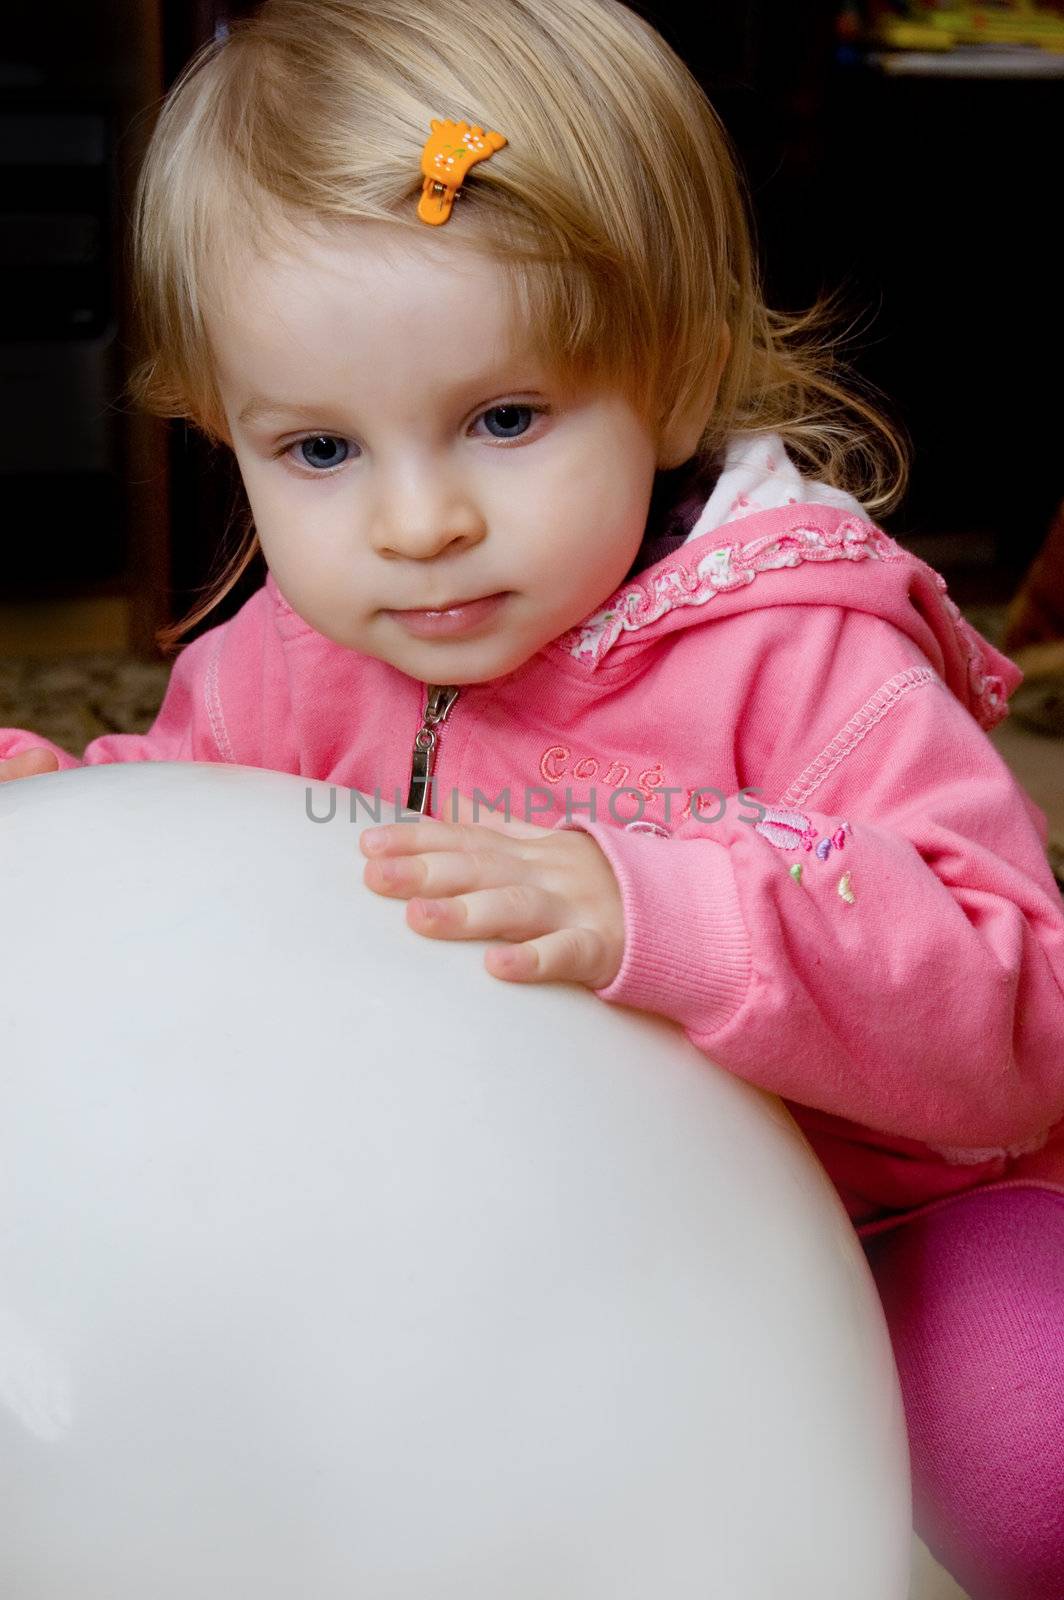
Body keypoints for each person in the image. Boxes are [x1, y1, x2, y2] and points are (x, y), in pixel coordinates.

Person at [3, 1, 1063, 1591]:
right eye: (317, 450)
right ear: (221, 429)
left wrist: (664, 909)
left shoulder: (809, 659)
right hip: (479, 1256)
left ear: (679, 374)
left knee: (1037, 1441)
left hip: (878, 1225)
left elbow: (1015, 1015)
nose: (417, 521)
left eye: (505, 420)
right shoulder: (279, 663)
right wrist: (47, 816)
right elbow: (180, 863)